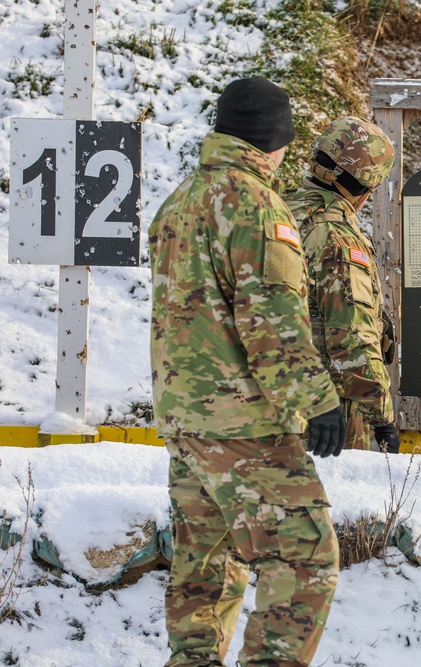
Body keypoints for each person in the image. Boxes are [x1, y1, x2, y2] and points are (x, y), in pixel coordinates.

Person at [149, 76, 347, 667]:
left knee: (204, 571)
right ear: (273, 140)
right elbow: (273, 321)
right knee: (305, 562)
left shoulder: (180, 199)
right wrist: (318, 401)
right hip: (244, 423)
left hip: (186, 421)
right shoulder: (256, 207)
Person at [284, 116, 401, 454]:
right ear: (367, 187)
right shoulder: (336, 238)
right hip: (324, 416)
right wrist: (383, 418)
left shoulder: (275, 212)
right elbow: (352, 337)